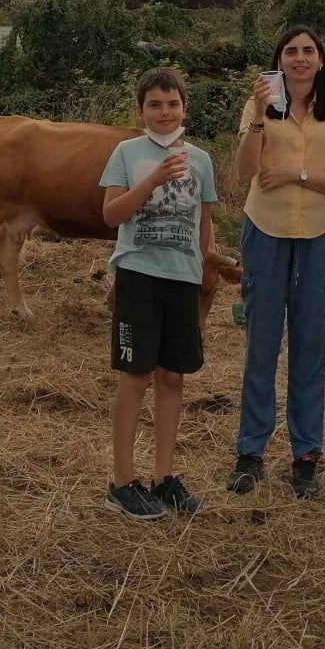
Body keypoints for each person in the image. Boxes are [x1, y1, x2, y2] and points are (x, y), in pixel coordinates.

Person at [227, 26, 325, 499]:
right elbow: (245, 172)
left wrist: (292, 174)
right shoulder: (257, 107)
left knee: (310, 345)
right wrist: (260, 118)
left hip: (320, 237)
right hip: (264, 232)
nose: (300, 58)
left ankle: (306, 454)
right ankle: (250, 451)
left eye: (308, 51)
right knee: (261, 343)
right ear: (279, 61)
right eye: (291, 51)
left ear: (320, 61)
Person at [99, 67, 219, 519]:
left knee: (173, 378)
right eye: (155, 105)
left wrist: (210, 261)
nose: (164, 113)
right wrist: (152, 180)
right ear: (141, 111)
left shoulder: (202, 160)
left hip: (182, 280)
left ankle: (164, 477)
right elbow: (111, 214)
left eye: (172, 104)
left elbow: (204, 225)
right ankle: (122, 482)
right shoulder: (126, 153)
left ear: (184, 108)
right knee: (137, 376)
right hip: (138, 275)